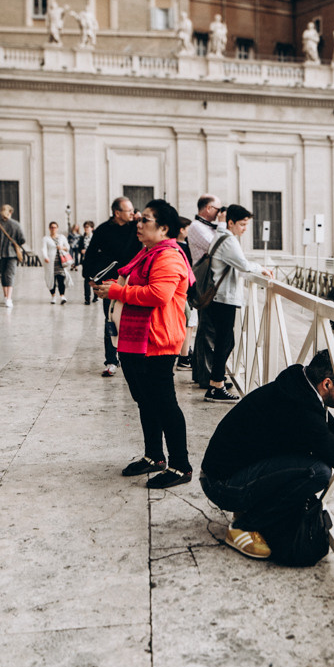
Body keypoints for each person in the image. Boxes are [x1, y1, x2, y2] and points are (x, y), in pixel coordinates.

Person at [200, 349, 334, 559]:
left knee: (313, 463)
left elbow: (331, 443)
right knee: (318, 471)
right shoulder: (303, 410)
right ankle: (244, 526)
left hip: (223, 474)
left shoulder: (299, 388)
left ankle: (250, 508)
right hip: (222, 486)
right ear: (327, 384)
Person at [92, 199, 195, 489]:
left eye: (145, 220)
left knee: (165, 404)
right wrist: (111, 287)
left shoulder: (169, 256)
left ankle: (180, 466)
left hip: (157, 341)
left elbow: (159, 295)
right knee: (145, 401)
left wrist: (117, 292)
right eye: (139, 218)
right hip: (136, 340)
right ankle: (154, 456)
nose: (138, 224)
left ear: (164, 229)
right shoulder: (146, 253)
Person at [204, 204, 273, 401]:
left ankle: (216, 382)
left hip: (218, 297)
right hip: (223, 298)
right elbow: (242, 265)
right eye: (242, 224)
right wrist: (261, 268)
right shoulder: (228, 240)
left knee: (226, 341)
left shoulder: (221, 236)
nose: (244, 228)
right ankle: (216, 386)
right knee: (225, 342)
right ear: (231, 223)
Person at [82, 197, 142, 376]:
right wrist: (89, 277)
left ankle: (130, 357)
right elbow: (91, 253)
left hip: (132, 281)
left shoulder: (136, 226)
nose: (132, 213)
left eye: (133, 210)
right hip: (110, 281)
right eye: (128, 210)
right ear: (117, 213)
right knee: (111, 319)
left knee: (133, 319)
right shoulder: (103, 230)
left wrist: (140, 218)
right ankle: (111, 360)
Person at [188, 194, 222, 387]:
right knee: (207, 330)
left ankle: (202, 373)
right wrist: (224, 225)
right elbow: (217, 248)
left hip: (209, 281)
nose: (220, 213)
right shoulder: (197, 227)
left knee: (207, 329)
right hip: (204, 282)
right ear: (208, 208)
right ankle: (206, 376)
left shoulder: (206, 227)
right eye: (218, 209)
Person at [0, 204, 26, 309]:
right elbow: (22, 239)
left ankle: (6, 296)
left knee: (3, 275)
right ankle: (9, 298)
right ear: (10, 212)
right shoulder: (16, 224)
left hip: (0, 254)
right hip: (12, 254)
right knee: (10, 275)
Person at [176, 216, 195, 370]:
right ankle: (184, 357)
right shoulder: (183, 248)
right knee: (188, 323)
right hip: (184, 291)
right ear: (182, 230)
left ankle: (185, 353)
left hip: (182, 290)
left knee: (188, 323)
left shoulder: (178, 246)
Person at [41, 221, 71, 304]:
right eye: (52, 227)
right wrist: (45, 257)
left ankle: (62, 296)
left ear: (57, 228)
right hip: (50, 262)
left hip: (61, 262)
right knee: (51, 279)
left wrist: (61, 247)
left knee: (61, 278)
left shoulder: (62, 237)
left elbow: (67, 247)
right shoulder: (46, 239)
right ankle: (53, 296)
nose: (53, 229)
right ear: (49, 228)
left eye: (55, 227)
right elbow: (44, 249)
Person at [74, 220, 96, 303]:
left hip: (94, 261)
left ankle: (96, 295)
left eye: (87, 227)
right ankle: (87, 298)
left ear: (92, 228)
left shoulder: (95, 237)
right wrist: (81, 250)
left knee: (95, 278)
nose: (86, 229)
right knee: (86, 279)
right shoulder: (82, 238)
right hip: (85, 261)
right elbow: (79, 248)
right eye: (85, 227)